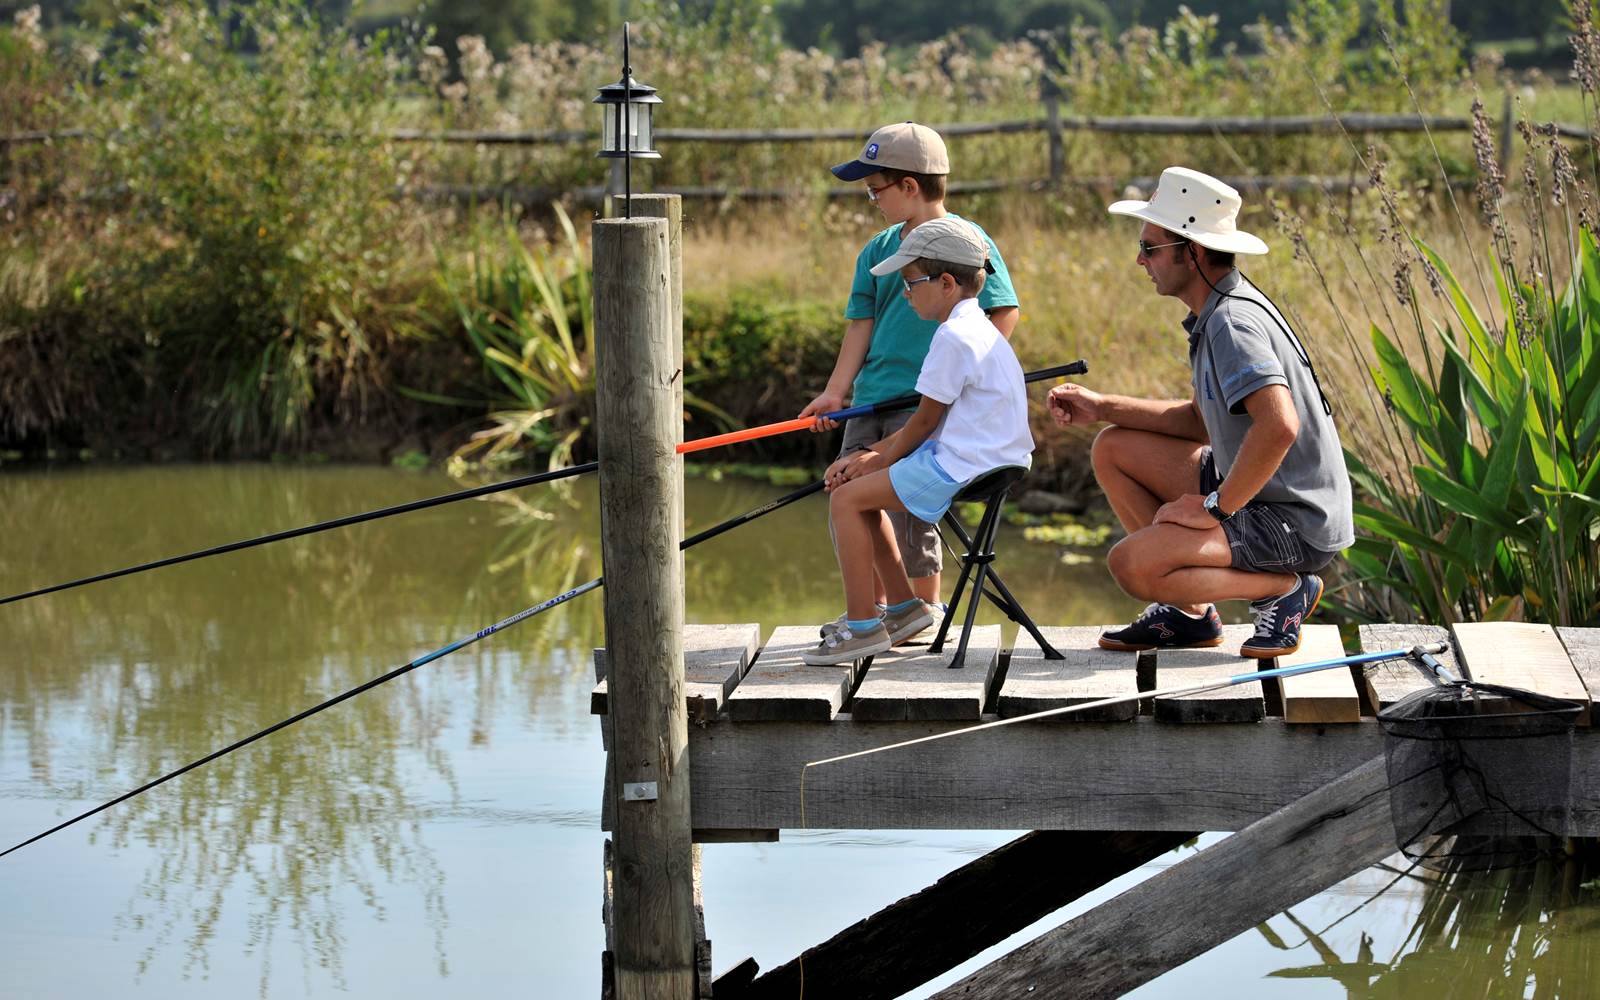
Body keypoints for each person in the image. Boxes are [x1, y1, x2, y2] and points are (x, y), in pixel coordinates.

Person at [1047, 166, 1354, 658]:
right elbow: (1198, 421)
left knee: (1133, 566)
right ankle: (1188, 614)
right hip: (1257, 492)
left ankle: (1284, 589)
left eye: (1150, 248)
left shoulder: (1232, 323)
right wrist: (1103, 407)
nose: (1139, 260)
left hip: (1295, 520)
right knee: (1115, 446)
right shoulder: (1217, 312)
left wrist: (1215, 507)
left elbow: (1280, 425)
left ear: (1191, 252)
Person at [801, 122, 1020, 639]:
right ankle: (880, 607)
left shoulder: (966, 243)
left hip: (925, 403)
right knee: (852, 490)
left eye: (876, 189)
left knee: (913, 514)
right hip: (873, 397)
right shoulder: (877, 250)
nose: (871, 199)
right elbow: (862, 323)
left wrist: (967, 381)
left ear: (909, 186)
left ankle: (924, 608)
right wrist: (836, 391)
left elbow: (1002, 311)